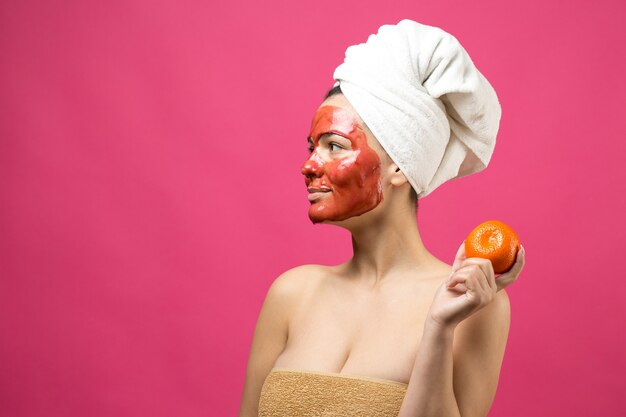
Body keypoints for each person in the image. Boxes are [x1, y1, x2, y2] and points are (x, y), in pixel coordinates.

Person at [239, 19, 525, 417]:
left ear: (399, 167)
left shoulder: (474, 304)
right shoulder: (290, 294)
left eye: (334, 146)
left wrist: (439, 328)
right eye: (313, 147)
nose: (309, 165)